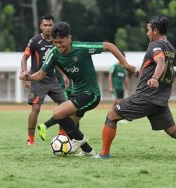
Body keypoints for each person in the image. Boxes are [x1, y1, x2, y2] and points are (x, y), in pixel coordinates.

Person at [95, 15, 176, 159]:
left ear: (155, 31)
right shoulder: (171, 47)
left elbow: (160, 61)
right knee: (173, 130)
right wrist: (142, 72)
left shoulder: (154, 45)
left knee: (111, 116)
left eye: (148, 30)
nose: (147, 33)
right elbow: (175, 63)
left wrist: (154, 77)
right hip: (160, 100)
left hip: (145, 97)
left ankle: (103, 154)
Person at [20, 21, 137, 156]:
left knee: (58, 113)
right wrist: (28, 76)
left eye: (61, 42)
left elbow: (109, 46)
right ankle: (88, 150)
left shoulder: (81, 48)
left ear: (69, 38)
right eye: (55, 42)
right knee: (70, 125)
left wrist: (126, 64)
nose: (58, 45)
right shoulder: (54, 53)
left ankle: (79, 140)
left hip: (91, 94)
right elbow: (41, 74)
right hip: (77, 94)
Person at [21, 15, 68, 145]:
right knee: (36, 108)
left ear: (53, 26)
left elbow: (57, 61)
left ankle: (62, 135)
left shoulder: (56, 41)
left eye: (50, 25)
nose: (48, 28)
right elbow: (24, 58)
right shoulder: (35, 41)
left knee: (65, 107)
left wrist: (64, 75)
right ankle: (30, 138)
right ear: (41, 26)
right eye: (45, 25)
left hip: (52, 80)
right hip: (37, 80)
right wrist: (25, 73)